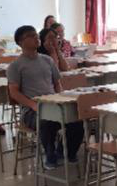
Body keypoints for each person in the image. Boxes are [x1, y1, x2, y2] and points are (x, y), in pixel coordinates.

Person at [7, 25, 84, 170]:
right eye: (31, 35)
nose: (36, 37)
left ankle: (65, 152)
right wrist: (33, 105)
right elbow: (14, 93)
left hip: (53, 104)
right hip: (31, 110)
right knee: (46, 121)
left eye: (36, 34)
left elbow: (57, 84)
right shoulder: (15, 66)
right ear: (20, 42)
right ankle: (50, 155)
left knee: (77, 120)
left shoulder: (47, 60)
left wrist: (61, 98)